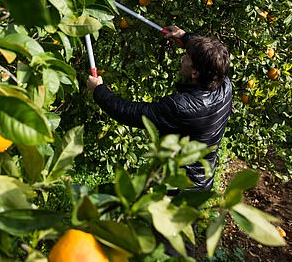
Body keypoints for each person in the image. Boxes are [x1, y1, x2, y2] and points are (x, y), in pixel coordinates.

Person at [86, 26, 232, 191]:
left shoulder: (181, 107)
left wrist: (99, 90)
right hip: (202, 181)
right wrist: (185, 38)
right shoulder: (224, 84)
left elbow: (131, 113)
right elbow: (212, 56)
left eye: (187, 57)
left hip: (178, 186)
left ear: (195, 73)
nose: (182, 58)